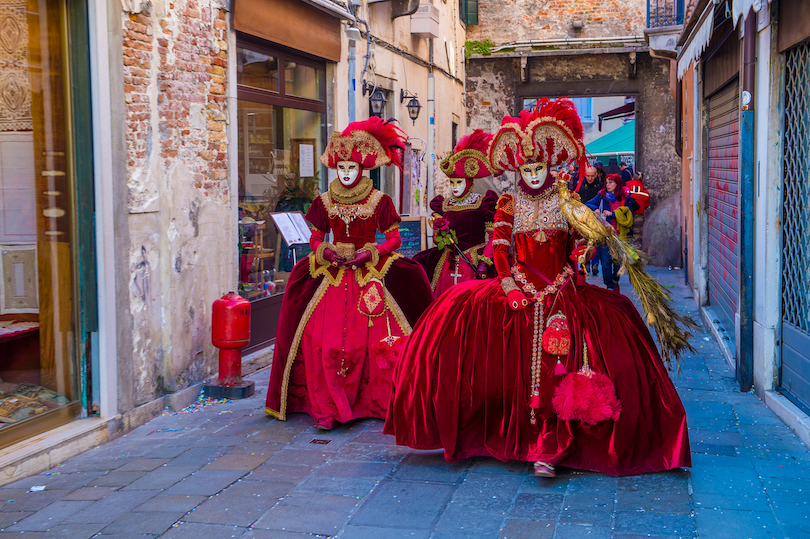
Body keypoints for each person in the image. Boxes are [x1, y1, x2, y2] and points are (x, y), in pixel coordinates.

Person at [384, 97, 691, 478]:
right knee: (457, 320)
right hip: (518, 288)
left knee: (599, 339)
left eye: (538, 167)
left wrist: (582, 252)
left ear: (549, 166)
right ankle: (507, 435)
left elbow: (582, 239)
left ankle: (555, 443)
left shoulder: (566, 200)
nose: (531, 174)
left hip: (563, 289)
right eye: (525, 168)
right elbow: (499, 247)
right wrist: (508, 284)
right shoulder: (509, 204)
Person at [265, 117, 434, 430]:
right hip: (331, 274)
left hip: (369, 273)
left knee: (371, 342)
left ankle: (374, 401)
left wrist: (371, 252)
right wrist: (324, 251)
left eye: (351, 167)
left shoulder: (380, 200)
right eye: (341, 167)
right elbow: (316, 237)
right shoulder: (323, 201)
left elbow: (394, 239)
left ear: (362, 168)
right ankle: (328, 404)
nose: (345, 172)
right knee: (322, 341)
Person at [413, 130, 499, 297]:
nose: (454, 187)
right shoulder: (443, 205)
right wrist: (440, 233)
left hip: (473, 262)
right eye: (451, 182)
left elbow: (493, 236)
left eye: (459, 182)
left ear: (469, 181)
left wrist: (484, 261)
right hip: (447, 264)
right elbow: (437, 240)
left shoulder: (483, 202)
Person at [584, 174, 639, 293]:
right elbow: (588, 203)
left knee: (618, 262)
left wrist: (613, 214)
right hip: (605, 234)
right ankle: (609, 286)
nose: (607, 185)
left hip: (620, 235)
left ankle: (615, 279)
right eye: (607, 182)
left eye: (610, 182)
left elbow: (629, 214)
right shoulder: (602, 195)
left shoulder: (625, 197)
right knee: (605, 262)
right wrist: (595, 209)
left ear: (617, 184)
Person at [576, 166, 604, 276]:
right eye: (588, 176)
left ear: (596, 175)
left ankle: (595, 264)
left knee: (595, 240)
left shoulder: (600, 186)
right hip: (583, 216)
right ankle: (585, 263)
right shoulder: (580, 185)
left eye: (592, 176)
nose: (590, 178)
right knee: (584, 240)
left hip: (596, 216)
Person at [626, 172, 650, 250]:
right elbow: (646, 205)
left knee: (626, 237)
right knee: (637, 238)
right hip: (638, 216)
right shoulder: (645, 192)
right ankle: (637, 255)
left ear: (632, 178)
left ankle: (626, 254)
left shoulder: (625, 189)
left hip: (626, 215)